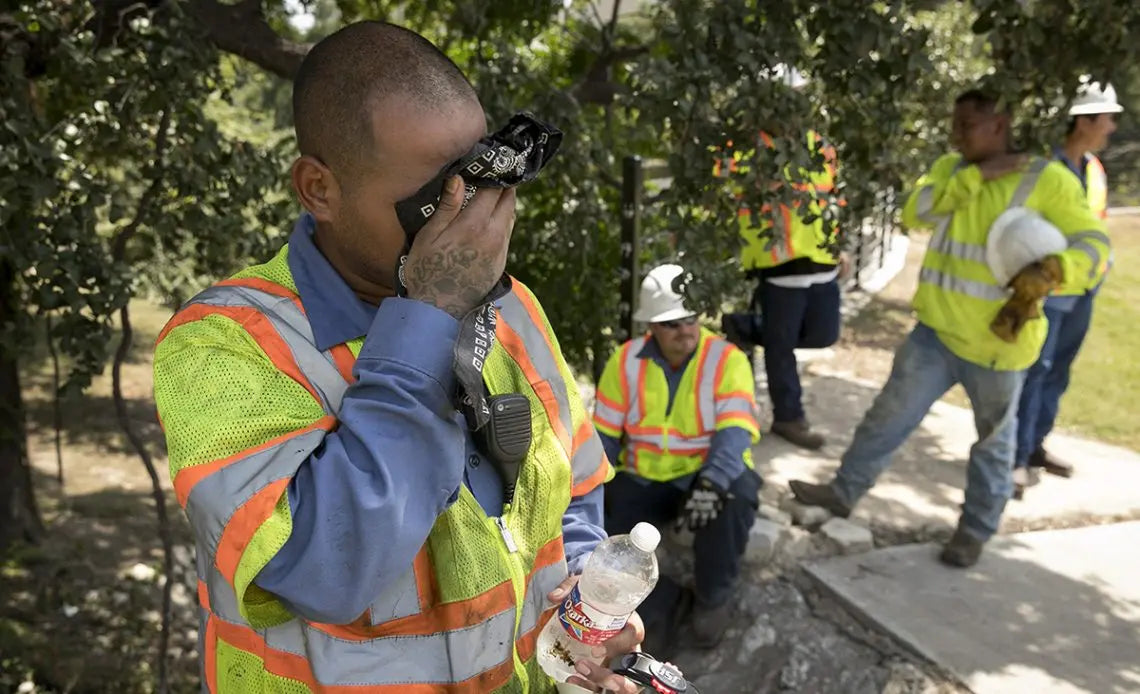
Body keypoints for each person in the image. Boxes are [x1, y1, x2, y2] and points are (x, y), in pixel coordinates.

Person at [152, 21, 647, 694]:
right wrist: (429, 317)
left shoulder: (515, 308)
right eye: (431, 203)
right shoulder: (220, 344)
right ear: (318, 188)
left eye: (480, 184)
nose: (470, 224)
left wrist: (586, 605)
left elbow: (574, 494)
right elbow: (325, 569)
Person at [788, 89, 1110, 568]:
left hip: (1001, 344)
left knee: (993, 445)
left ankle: (975, 531)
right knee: (887, 416)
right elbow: (915, 212)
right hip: (936, 333)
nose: (955, 135)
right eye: (954, 125)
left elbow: (1095, 244)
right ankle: (842, 491)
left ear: (999, 126)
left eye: (967, 126)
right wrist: (977, 177)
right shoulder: (952, 169)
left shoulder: (1049, 180)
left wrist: (1056, 270)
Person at [593, 263, 762, 648]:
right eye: (672, 323)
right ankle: (659, 606)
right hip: (642, 477)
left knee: (737, 496)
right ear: (650, 325)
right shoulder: (625, 360)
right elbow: (603, 436)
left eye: (690, 319)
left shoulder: (727, 359)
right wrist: (589, 485)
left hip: (703, 475)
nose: (685, 329)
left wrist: (713, 483)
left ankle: (712, 599)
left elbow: (736, 431)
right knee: (609, 524)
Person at [717, 65, 847, 451]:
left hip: (822, 261)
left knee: (825, 334)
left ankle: (741, 325)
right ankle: (790, 418)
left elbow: (833, 200)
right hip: (778, 264)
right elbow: (721, 191)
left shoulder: (819, 146)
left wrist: (841, 248)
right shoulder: (744, 149)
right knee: (781, 347)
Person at [1013, 78, 1121, 495]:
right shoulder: (1043, 170)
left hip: (1084, 290)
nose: (1111, 126)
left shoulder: (1093, 169)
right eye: (1107, 118)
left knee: (1058, 371)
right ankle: (1016, 458)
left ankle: (1036, 444)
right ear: (1083, 121)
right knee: (1033, 370)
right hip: (1049, 291)